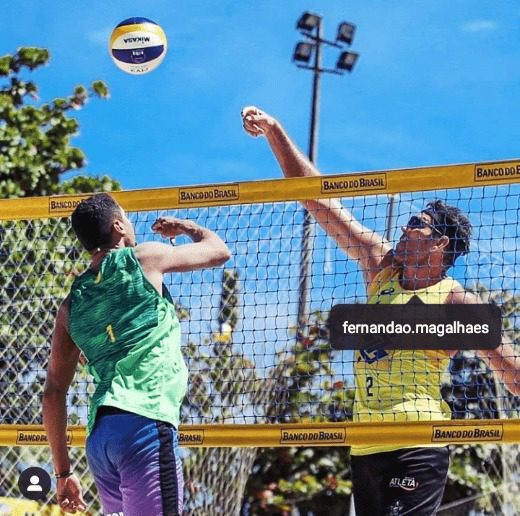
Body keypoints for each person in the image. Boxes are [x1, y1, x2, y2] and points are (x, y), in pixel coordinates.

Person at [241, 106, 520, 515]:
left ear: (439, 244)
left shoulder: (454, 301)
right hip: (366, 442)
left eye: (416, 223)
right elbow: (316, 199)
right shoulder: (381, 269)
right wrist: (275, 133)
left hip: (419, 442)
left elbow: (512, 372)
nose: (405, 229)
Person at [43, 193, 230, 516]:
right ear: (118, 226)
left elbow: (53, 393)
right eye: (127, 218)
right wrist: (185, 226)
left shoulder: (71, 304)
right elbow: (219, 252)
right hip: (143, 423)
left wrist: (63, 473)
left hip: (101, 438)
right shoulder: (143, 258)